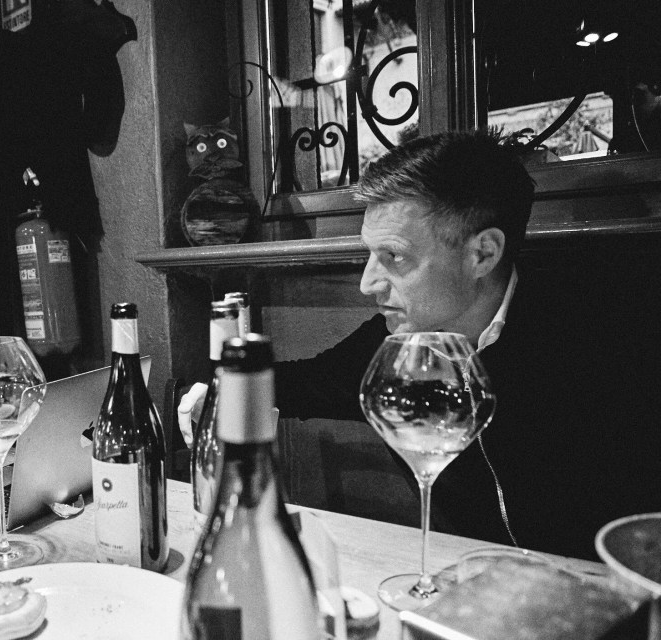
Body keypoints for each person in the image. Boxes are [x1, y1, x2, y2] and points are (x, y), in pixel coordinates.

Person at [179, 129, 661, 560]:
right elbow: (303, 384)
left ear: (482, 253)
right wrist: (218, 392)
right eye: (369, 254)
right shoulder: (395, 347)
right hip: (479, 586)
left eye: (394, 257)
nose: (368, 284)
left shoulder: (610, 336)